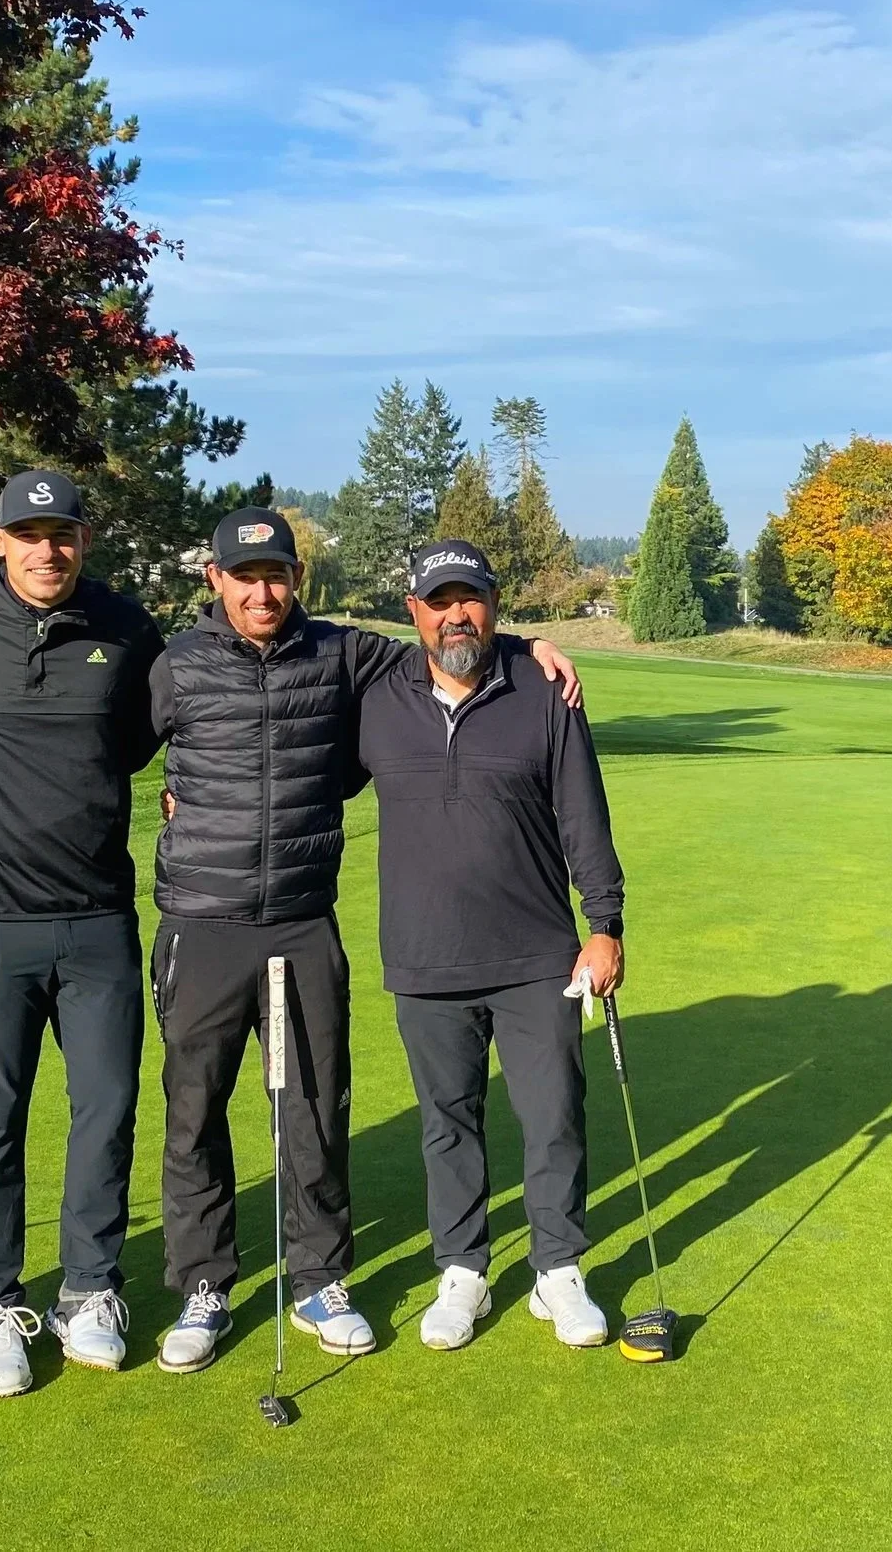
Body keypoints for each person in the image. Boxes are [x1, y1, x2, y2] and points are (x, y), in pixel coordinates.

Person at [146, 509, 579, 1372]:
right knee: (194, 1111)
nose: (262, 591)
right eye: (245, 576)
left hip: (304, 915)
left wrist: (529, 643)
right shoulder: (176, 667)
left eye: (276, 575)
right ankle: (203, 1284)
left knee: (313, 1104)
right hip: (201, 917)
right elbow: (116, 753)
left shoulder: (343, 652)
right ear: (215, 581)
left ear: (294, 580)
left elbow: (449, 636)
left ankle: (318, 1277)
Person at [0, 469, 165, 1396]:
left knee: (105, 1108)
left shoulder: (127, 627)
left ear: (84, 540)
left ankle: (90, 1287)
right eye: (30, 533)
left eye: (64, 534)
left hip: (97, 915)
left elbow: (139, 741)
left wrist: (526, 643)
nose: (48, 549)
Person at [357, 539, 627, 1352]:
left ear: (494, 604)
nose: (455, 615)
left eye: (470, 599)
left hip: (537, 953)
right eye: (439, 601)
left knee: (552, 1115)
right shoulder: (374, 695)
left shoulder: (542, 692)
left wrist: (605, 923)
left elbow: (584, 813)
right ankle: (463, 1271)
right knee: (448, 1121)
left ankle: (557, 1270)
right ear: (414, 611)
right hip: (424, 955)